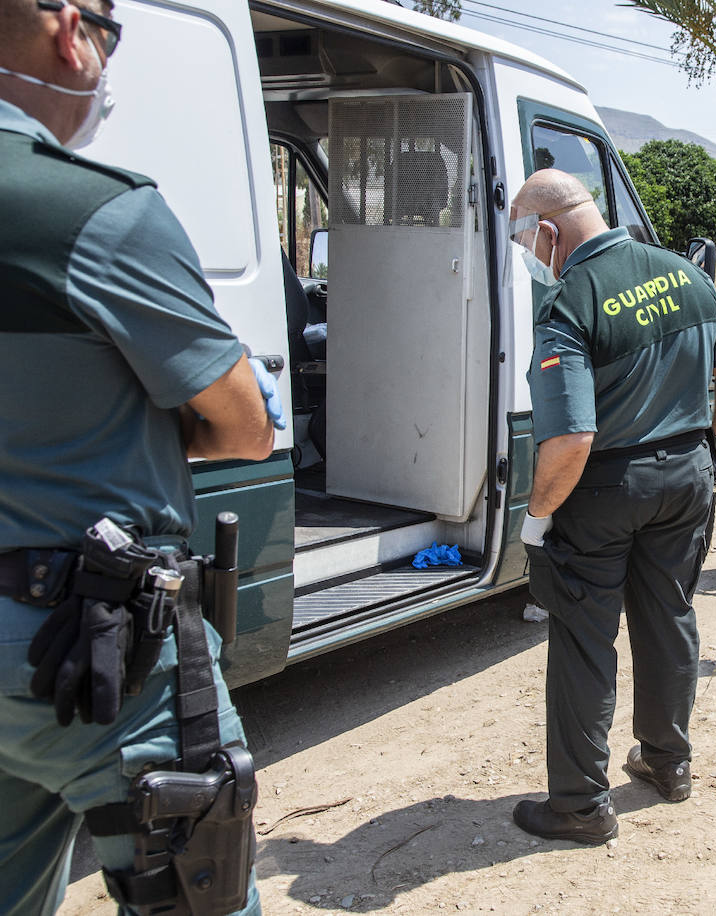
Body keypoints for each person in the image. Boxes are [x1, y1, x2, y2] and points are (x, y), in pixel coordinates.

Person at [0, 1, 279, 911]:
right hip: (82, 652)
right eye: (109, 37)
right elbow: (243, 427)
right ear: (68, 31)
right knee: (201, 884)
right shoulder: (93, 210)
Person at [509, 169, 716, 845]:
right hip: (688, 477)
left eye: (525, 239)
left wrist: (535, 520)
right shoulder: (685, 273)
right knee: (668, 616)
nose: (528, 254)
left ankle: (580, 807)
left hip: (605, 489)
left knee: (585, 640)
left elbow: (571, 436)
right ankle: (668, 764)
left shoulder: (569, 302)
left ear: (549, 231)